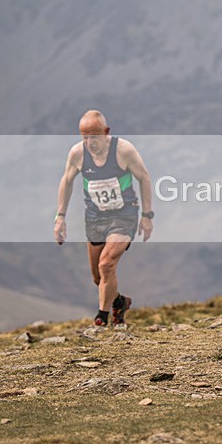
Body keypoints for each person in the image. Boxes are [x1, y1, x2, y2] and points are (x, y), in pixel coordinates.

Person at [54, 110, 154, 327]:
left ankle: (102, 317)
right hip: (95, 218)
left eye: (94, 136)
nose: (89, 142)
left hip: (124, 215)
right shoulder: (77, 154)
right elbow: (67, 181)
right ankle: (119, 301)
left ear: (106, 132)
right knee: (99, 278)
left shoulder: (124, 150)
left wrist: (147, 215)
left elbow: (144, 178)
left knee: (106, 264)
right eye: (84, 137)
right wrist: (60, 217)